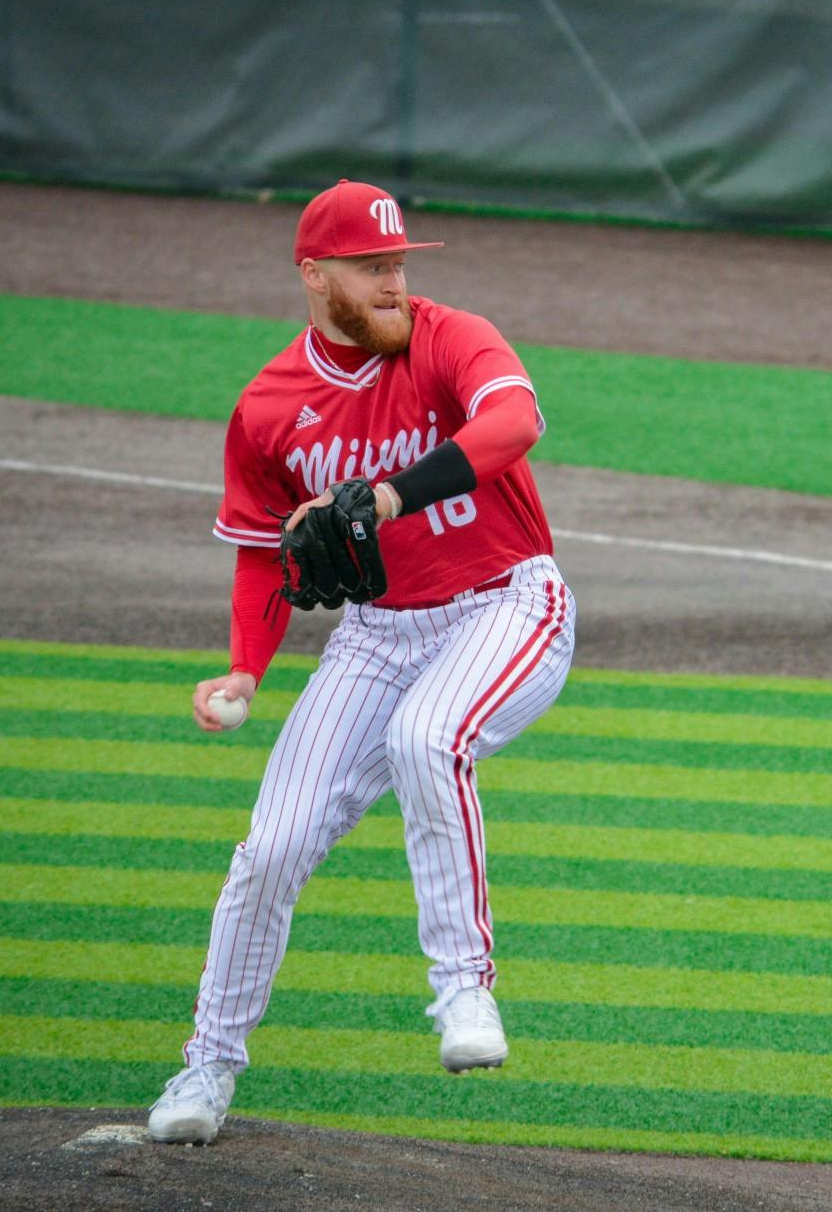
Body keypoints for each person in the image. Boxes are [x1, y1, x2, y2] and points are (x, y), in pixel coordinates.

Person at [146, 179, 577, 1143]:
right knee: (272, 849)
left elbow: (515, 425)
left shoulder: (449, 335)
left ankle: (464, 992)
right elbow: (266, 552)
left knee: (431, 739)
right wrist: (245, 668)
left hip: (508, 603)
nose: (393, 281)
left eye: (399, 264)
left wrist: (387, 494)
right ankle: (205, 1069)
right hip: (379, 634)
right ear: (315, 275)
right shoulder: (267, 408)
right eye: (372, 266)